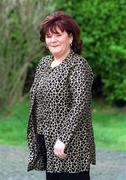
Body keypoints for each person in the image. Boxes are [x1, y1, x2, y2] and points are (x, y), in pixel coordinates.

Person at [27, 10, 96, 180]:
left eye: (58, 35)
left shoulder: (78, 66)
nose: (53, 40)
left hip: (71, 143)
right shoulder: (44, 64)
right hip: (47, 138)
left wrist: (63, 139)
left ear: (71, 38)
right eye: (49, 36)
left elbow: (80, 105)